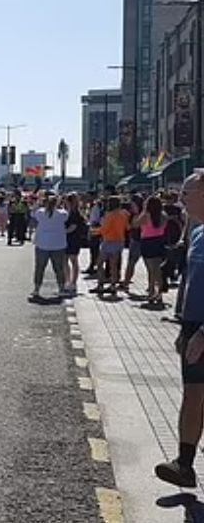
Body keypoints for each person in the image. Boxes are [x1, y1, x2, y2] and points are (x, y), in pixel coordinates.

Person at [155, 172, 204, 488]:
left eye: (187, 192)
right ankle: (184, 465)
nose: (181, 198)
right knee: (194, 395)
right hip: (192, 327)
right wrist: (183, 327)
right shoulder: (198, 233)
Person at [30, 192, 69, 299]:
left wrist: (38, 202)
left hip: (42, 244)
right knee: (59, 268)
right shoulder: (62, 214)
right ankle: (61, 288)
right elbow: (66, 214)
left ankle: (36, 289)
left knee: (40, 267)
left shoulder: (40, 212)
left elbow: (32, 213)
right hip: (58, 244)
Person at [137, 195, 169, 306]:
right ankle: (159, 293)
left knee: (150, 270)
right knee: (158, 270)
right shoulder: (164, 216)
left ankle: (151, 291)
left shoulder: (146, 215)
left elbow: (135, 224)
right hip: (159, 241)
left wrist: (143, 211)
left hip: (147, 242)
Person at [94, 197, 130, 296]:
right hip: (120, 240)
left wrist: (94, 231)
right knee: (114, 265)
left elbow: (105, 229)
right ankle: (113, 284)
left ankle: (100, 284)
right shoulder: (124, 214)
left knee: (100, 263)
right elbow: (127, 227)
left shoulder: (109, 215)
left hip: (109, 240)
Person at [64, 193, 88, 297]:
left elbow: (72, 227)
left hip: (72, 238)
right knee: (69, 261)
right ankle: (70, 281)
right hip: (73, 238)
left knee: (71, 260)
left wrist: (62, 231)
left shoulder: (73, 213)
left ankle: (71, 282)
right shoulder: (75, 212)